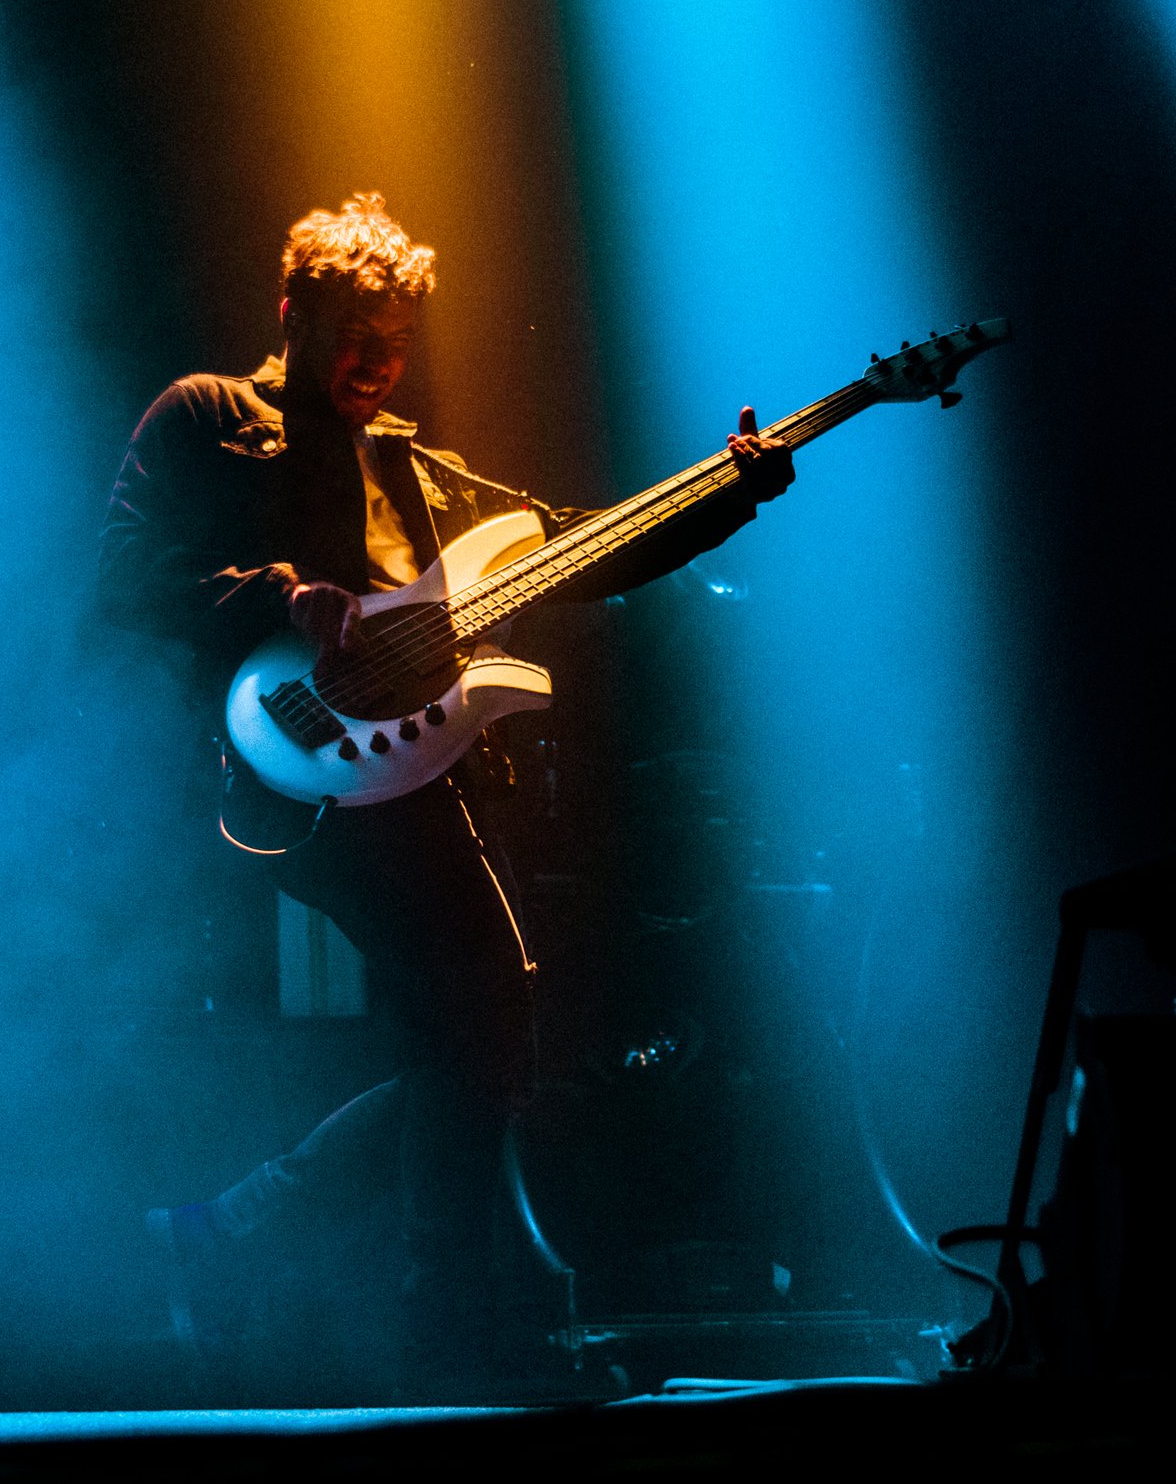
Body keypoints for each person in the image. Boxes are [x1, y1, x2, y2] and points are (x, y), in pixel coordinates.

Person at [97, 192, 793, 1397]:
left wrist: (729, 491)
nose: (377, 361)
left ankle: (258, 1243)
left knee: (481, 1035)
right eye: (354, 334)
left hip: (414, 777)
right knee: (483, 1017)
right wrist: (277, 593)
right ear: (292, 314)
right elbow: (125, 575)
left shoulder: (413, 467)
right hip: (276, 750)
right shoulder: (210, 415)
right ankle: (442, 1334)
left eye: (396, 340)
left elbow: (577, 548)